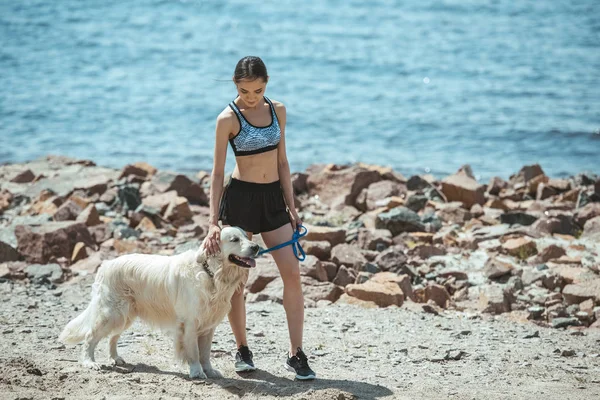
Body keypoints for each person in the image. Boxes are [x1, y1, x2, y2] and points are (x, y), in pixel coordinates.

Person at [201, 56, 316, 380]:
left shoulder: (278, 110)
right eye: (244, 90)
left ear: (266, 83)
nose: (251, 97)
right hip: (240, 202)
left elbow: (282, 162)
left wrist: (292, 208)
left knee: (292, 273)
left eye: (257, 90)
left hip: (272, 201)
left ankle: (296, 354)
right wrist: (213, 220)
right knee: (239, 282)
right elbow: (217, 171)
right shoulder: (227, 118)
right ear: (235, 85)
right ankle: (242, 348)